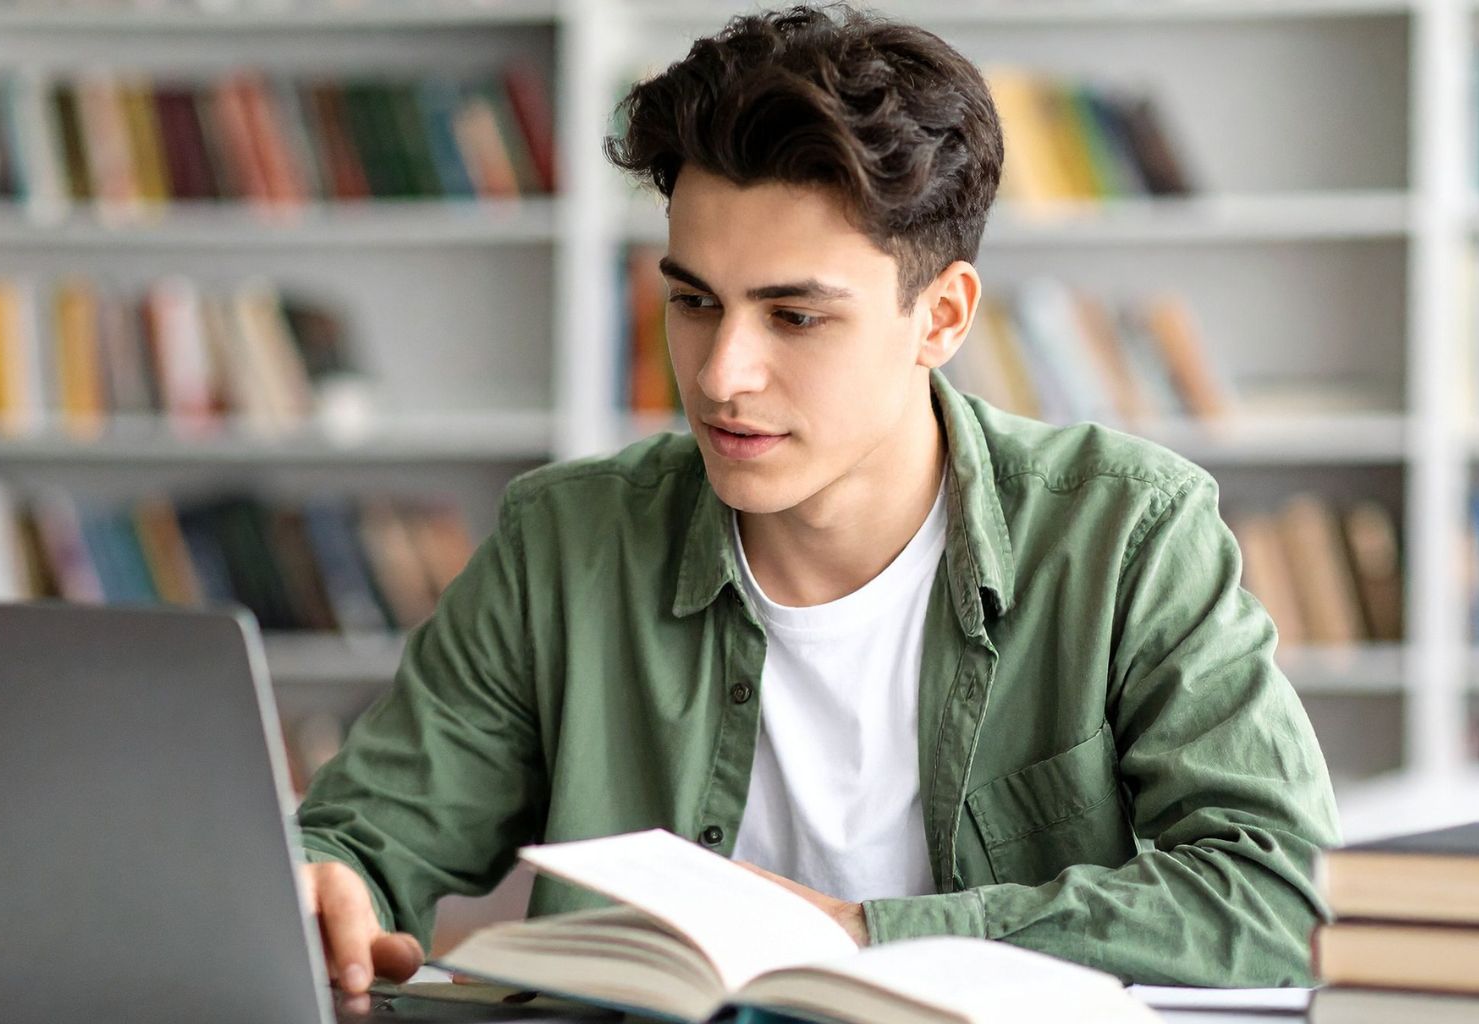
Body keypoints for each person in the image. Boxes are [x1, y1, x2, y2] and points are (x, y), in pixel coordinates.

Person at [296, 2, 1340, 994]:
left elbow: (1278, 897)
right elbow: (360, 836)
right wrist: (331, 882)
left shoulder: (1124, 533)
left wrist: (862, 938)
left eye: (793, 317)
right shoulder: (565, 542)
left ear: (940, 317)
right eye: (694, 303)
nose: (718, 376)